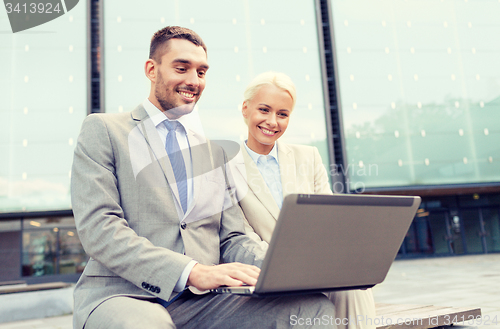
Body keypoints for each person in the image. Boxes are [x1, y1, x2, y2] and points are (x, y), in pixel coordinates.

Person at [71, 26, 337, 329]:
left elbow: (233, 237)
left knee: (312, 309)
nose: (193, 81)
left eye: (201, 72)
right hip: (124, 296)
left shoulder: (213, 152)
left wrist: (289, 266)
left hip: (202, 301)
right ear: (151, 69)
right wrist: (191, 270)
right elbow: (100, 229)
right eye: (181, 68)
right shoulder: (104, 130)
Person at [230, 72, 377, 329]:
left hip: (318, 265)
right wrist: (291, 265)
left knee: (354, 288)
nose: (272, 122)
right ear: (245, 109)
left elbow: (329, 222)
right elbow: (240, 235)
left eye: (282, 114)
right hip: (265, 272)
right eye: (264, 110)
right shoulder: (225, 166)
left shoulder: (308, 157)